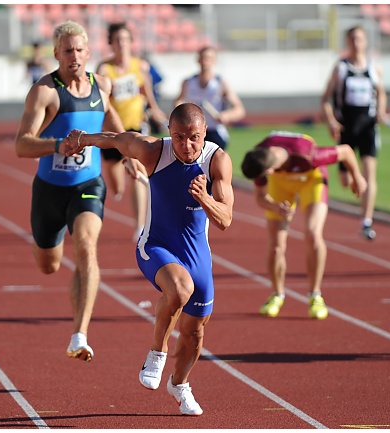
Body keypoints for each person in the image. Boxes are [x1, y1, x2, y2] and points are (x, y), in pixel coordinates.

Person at [63, 103, 234, 416]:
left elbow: (225, 219)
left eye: (194, 137)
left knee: (195, 333)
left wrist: (204, 198)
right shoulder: (154, 151)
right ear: (169, 133)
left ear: (205, 133)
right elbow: (116, 139)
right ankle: (157, 352)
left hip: (197, 254)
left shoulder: (217, 160)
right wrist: (82, 139)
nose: (187, 145)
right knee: (179, 290)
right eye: (179, 137)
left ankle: (179, 384)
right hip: (156, 246)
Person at [14, 21, 125, 362]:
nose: (74, 56)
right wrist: (58, 145)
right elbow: (22, 145)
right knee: (49, 265)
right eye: (67, 51)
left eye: (79, 50)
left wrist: (128, 154)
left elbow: (111, 120)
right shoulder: (45, 91)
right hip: (49, 191)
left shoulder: (102, 85)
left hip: (88, 185)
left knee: (87, 246)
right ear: (56, 54)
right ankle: (50, 241)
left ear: (88, 52)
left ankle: (80, 335)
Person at [241, 131, 367, 320]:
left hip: (311, 178)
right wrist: (276, 207)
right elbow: (260, 198)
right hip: (281, 184)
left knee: (313, 234)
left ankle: (315, 295)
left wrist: (357, 177)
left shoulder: (309, 156)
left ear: (269, 171)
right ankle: (277, 294)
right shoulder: (259, 156)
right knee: (276, 245)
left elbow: (346, 151)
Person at [97, 22, 168, 242]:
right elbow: (100, 101)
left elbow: (147, 91)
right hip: (112, 131)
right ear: (111, 43)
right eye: (117, 40)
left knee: (138, 174)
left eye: (125, 39)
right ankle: (117, 180)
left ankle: (139, 226)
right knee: (117, 187)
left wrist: (156, 111)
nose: (122, 44)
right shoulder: (104, 69)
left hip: (136, 127)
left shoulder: (140, 66)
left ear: (130, 42)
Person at [320, 25, 389, 240]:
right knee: (345, 181)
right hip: (346, 129)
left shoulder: (374, 67)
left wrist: (381, 112)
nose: (356, 43)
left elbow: (381, 92)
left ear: (365, 41)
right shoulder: (340, 68)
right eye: (352, 39)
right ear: (347, 42)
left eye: (359, 39)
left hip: (368, 127)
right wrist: (331, 121)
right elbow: (325, 99)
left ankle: (366, 221)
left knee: (369, 173)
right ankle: (352, 180)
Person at [174, 45, 245, 150]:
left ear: (214, 61)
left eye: (208, 58)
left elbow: (239, 109)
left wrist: (226, 115)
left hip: (214, 130)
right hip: (193, 130)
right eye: (202, 58)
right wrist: (181, 110)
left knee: (217, 158)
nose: (205, 62)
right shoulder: (188, 82)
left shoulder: (220, 83)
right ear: (198, 60)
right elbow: (178, 101)